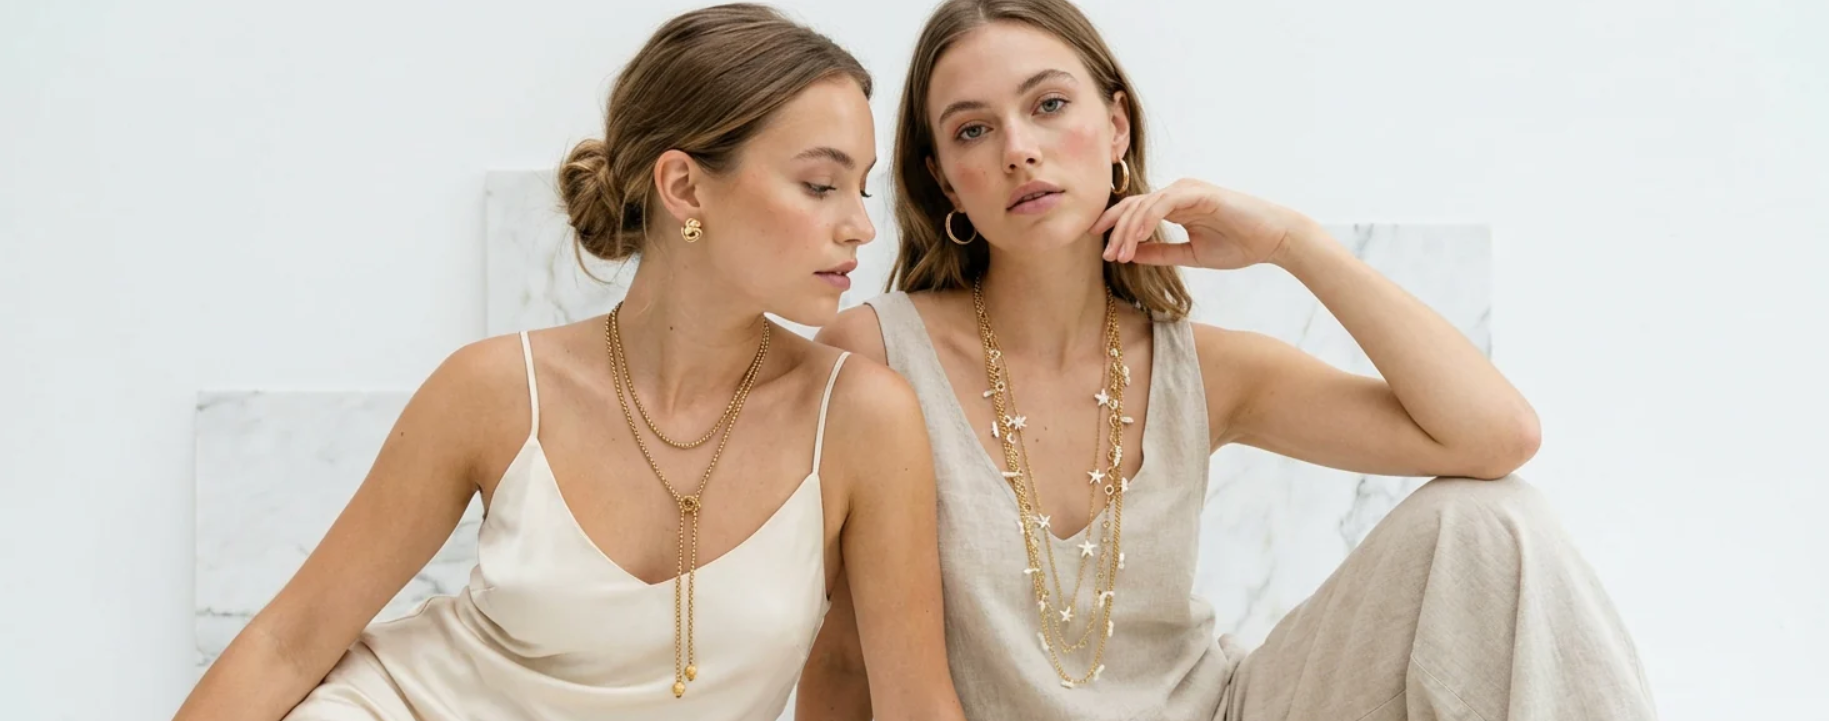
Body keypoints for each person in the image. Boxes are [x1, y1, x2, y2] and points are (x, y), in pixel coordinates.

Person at [796, 1, 1658, 719]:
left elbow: (1497, 437)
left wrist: (1292, 242)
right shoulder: (875, 357)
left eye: (1049, 104)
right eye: (973, 129)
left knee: (1489, 521)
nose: (1017, 147)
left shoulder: (1201, 371)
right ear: (946, 180)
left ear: (1115, 125)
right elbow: (840, 655)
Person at [174, 5, 965, 720]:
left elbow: (914, 702)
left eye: (861, 190)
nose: (859, 226)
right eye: (820, 185)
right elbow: (290, 639)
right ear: (684, 187)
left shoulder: (861, 418)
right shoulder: (495, 390)